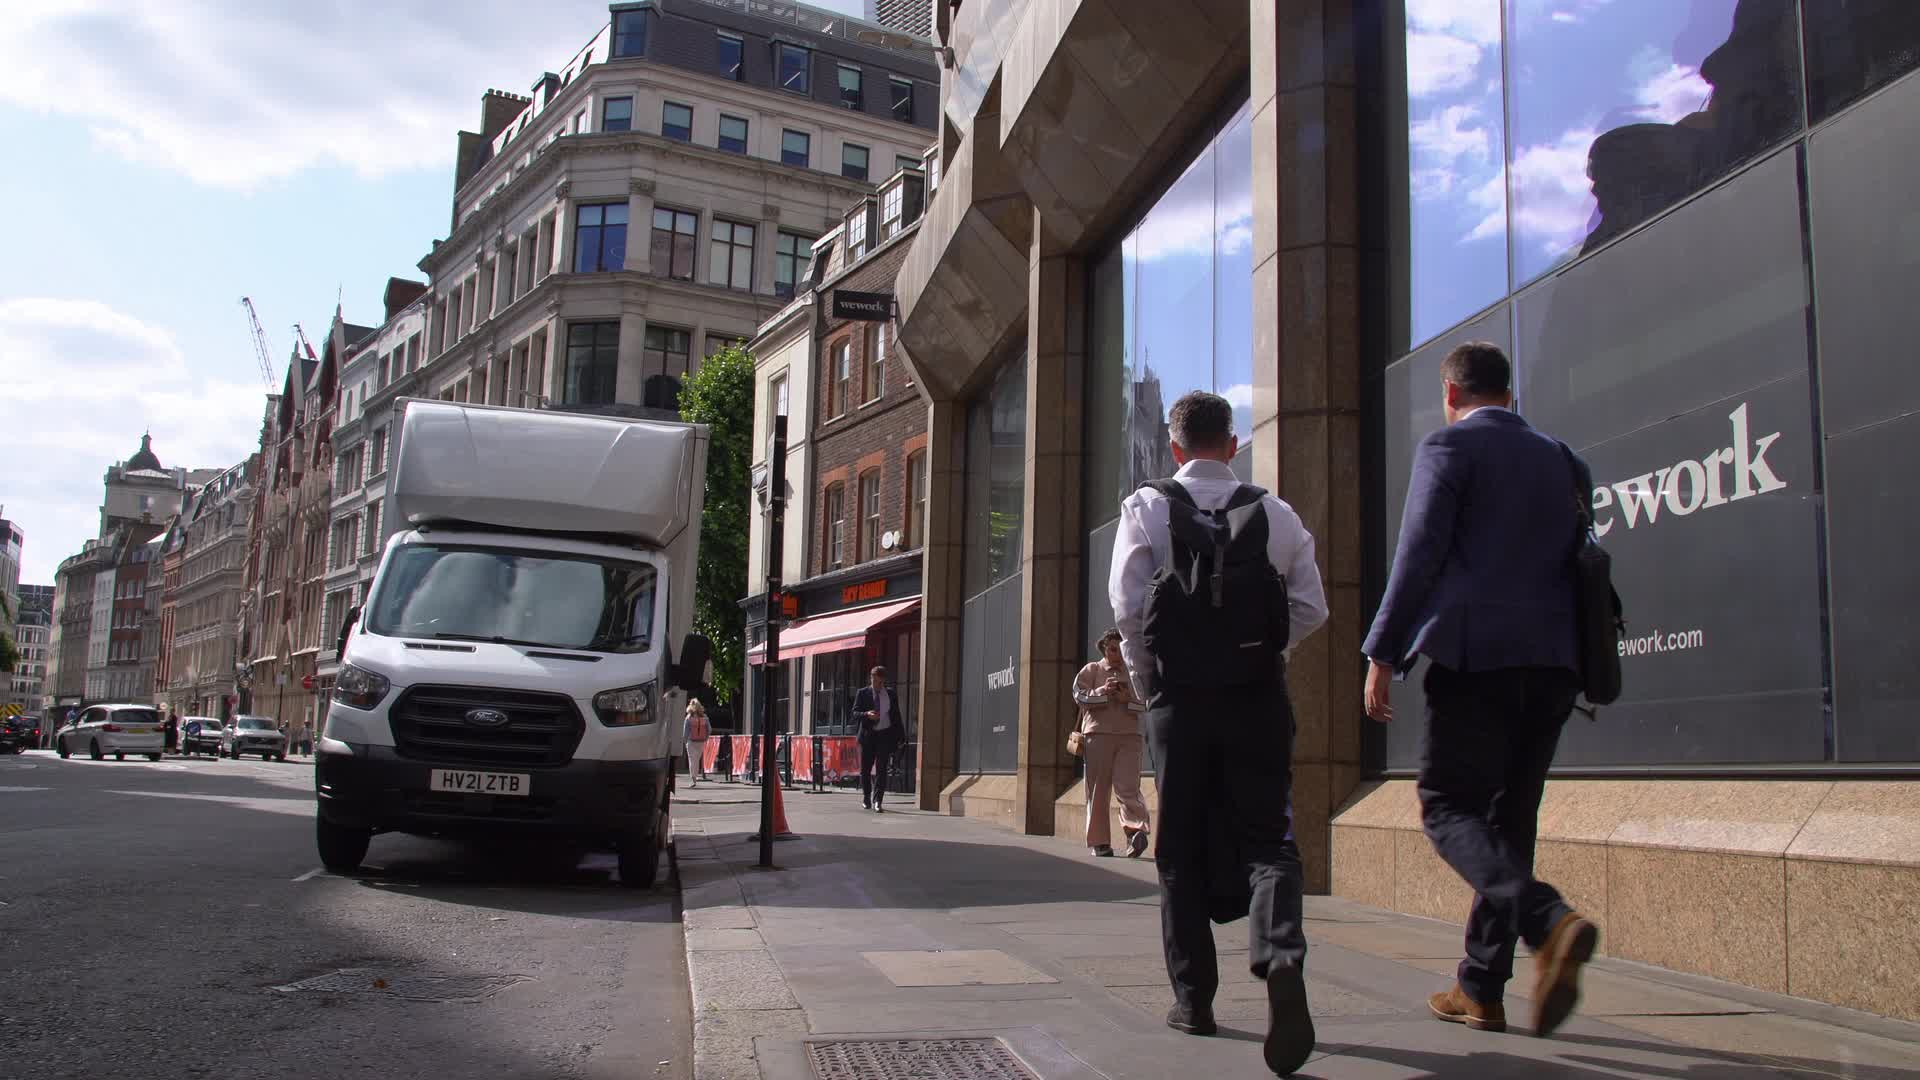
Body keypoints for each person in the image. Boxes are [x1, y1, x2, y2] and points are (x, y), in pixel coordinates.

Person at [1360, 341, 1600, 1040]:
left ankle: (1547, 919)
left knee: (1444, 805)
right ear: (1510, 395)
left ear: (1450, 394)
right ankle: (1480, 987)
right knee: (1511, 820)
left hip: (1478, 658)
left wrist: (1382, 651)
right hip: (1557, 663)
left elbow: (1419, 552)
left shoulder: (1449, 450)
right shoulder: (1563, 458)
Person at [1110, 391, 1328, 1076]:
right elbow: (1311, 606)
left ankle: (1194, 1000)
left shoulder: (1146, 507)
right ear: (1232, 445)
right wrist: (1261, 650)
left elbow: (1126, 605)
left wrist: (1153, 680)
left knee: (1178, 849)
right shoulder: (1276, 512)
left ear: (1176, 449)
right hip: (1257, 696)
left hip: (1181, 701)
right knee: (1269, 834)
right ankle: (1281, 952)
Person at [1072, 628, 1150, 858]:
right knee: (1097, 789)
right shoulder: (1092, 669)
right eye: (1112, 649)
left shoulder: (1133, 672)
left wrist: (1127, 700)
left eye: (1120, 649)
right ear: (1104, 648)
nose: (1117, 655)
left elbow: (1146, 705)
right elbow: (1079, 696)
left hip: (1129, 736)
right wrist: (1102, 692)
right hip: (1098, 735)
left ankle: (1135, 832)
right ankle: (1100, 842)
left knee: (1128, 786)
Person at [851, 666, 903, 812]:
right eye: (875, 681)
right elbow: (854, 713)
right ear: (871, 678)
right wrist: (866, 714)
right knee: (866, 770)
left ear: (884, 680)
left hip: (884, 735)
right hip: (868, 735)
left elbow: (896, 715)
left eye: (880, 682)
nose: (877, 685)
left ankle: (878, 801)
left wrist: (900, 736)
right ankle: (866, 798)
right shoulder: (862, 693)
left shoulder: (890, 694)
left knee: (881, 770)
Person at [684, 699, 711, 786]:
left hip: (691, 741)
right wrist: (705, 738)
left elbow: (685, 731)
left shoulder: (688, 717)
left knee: (692, 760)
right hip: (701, 741)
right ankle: (695, 776)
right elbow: (709, 729)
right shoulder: (705, 717)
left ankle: (693, 779)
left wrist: (684, 740)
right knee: (697, 759)